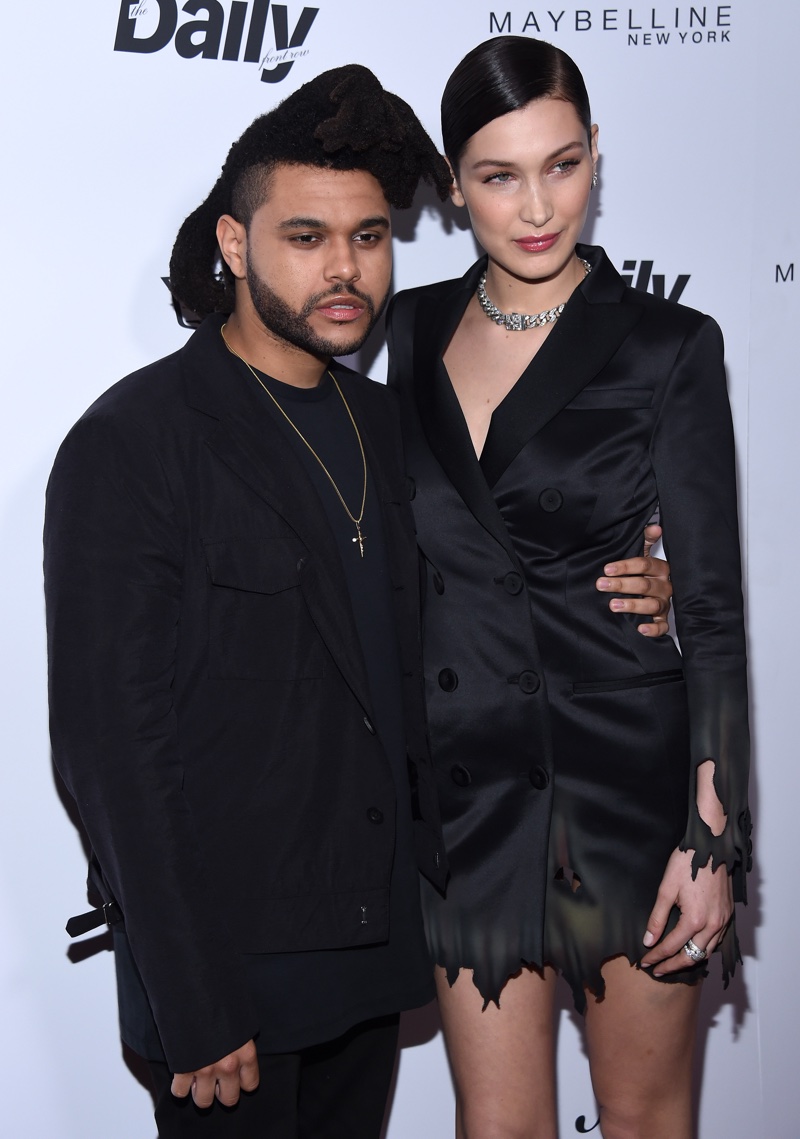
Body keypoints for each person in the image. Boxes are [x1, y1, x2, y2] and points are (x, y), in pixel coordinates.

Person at [45, 60, 672, 1138]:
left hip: (373, 958)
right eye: (306, 238)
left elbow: (504, 592)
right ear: (234, 246)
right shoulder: (135, 443)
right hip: (226, 983)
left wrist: (646, 587)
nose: (345, 270)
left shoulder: (399, 432)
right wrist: (190, 994)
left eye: (369, 237)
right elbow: (111, 750)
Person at [386, 36, 750, 1139]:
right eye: (497, 176)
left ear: (596, 154)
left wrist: (713, 839)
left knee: (643, 1117)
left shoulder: (666, 346)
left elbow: (716, 614)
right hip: (470, 801)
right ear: (453, 186)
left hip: (627, 802)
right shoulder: (404, 335)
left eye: (562, 164)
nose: (536, 206)